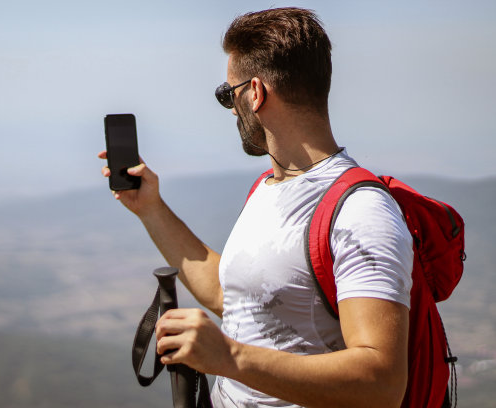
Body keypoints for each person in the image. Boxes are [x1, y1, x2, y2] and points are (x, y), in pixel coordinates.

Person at [99, 7, 413, 408]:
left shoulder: (360, 212)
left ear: (255, 92)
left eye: (227, 94)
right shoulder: (270, 187)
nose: (231, 109)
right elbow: (238, 297)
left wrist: (230, 358)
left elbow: (382, 384)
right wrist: (151, 208)